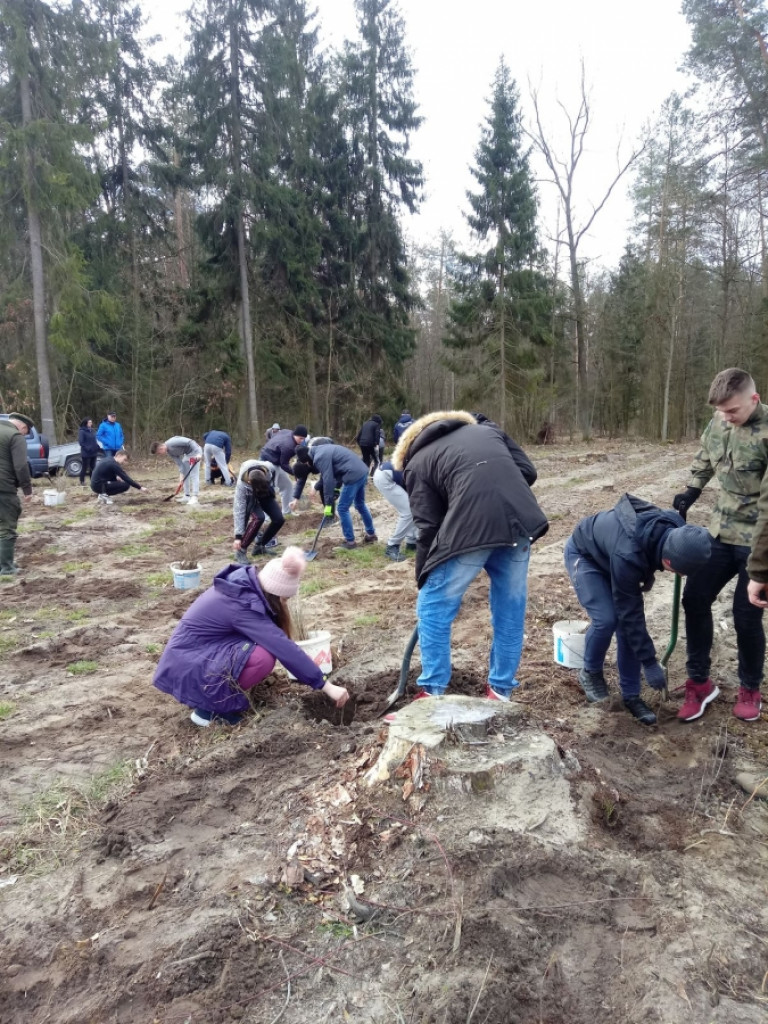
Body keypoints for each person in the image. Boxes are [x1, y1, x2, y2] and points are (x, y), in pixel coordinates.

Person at [388, 410, 548, 710]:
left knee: (433, 605)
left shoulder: (416, 463)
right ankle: (501, 692)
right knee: (510, 608)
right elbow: (527, 471)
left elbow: (427, 527)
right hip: (519, 520)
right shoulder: (488, 432)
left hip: (473, 528)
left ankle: (432, 690)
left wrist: (423, 576)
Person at [153, 546, 350, 726]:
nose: (286, 603)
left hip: (193, 658)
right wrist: (325, 685)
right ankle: (209, 711)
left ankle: (212, 696)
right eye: (286, 599)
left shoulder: (245, 588)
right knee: (262, 658)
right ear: (277, 594)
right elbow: (282, 646)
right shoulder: (243, 605)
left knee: (256, 649)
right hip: (187, 664)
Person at [565, 495, 712, 726]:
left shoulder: (675, 528)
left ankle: (631, 695)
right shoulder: (629, 554)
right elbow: (631, 614)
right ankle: (590, 673)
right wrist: (650, 662)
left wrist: (648, 571)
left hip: (615, 555)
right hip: (587, 556)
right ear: (670, 562)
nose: (680, 577)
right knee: (608, 618)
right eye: (680, 573)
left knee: (627, 629)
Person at [673, 368, 768, 723]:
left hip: (759, 537)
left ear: (753, 400)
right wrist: (693, 489)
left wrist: (761, 567)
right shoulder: (719, 422)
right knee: (694, 599)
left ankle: (750, 688)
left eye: (733, 411)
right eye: (721, 412)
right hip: (720, 531)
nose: (726, 418)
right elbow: (705, 455)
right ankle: (700, 683)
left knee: (746, 615)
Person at [294, 443, 376, 550]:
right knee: (360, 504)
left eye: (306, 463)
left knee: (342, 508)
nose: (308, 465)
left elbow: (328, 480)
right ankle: (371, 535)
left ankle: (350, 542)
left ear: (306, 460)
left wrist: (328, 504)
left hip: (352, 474)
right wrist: (335, 489)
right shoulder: (321, 449)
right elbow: (332, 472)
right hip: (362, 471)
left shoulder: (319, 457)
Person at [0, 412, 33, 575]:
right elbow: (21, 466)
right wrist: (27, 489)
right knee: (6, 526)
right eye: (25, 433)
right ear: (23, 427)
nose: (24, 435)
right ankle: (6, 567)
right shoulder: (15, 435)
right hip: (3, 487)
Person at [232, 459, 284, 563]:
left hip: (264, 489)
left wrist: (268, 490)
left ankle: (259, 547)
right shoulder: (242, 485)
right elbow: (239, 509)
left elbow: (272, 485)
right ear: (249, 482)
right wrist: (238, 536)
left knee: (279, 519)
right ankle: (241, 551)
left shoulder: (269, 470)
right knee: (259, 518)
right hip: (250, 494)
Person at [372, 458, 417, 562]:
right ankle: (392, 546)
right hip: (386, 477)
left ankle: (412, 543)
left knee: (412, 508)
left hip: (390, 473)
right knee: (408, 512)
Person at [260, 425, 309, 514]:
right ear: (295, 435)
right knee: (270, 489)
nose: (302, 441)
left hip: (277, 461)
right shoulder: (289, 446)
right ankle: (266, 516)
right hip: (268, 461)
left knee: (287, 486)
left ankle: (287, 511)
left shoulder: (288, 431)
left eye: (303, 439)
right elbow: (284, 464)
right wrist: (295, 473)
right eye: (300, 438)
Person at [150, 436, 203, 505]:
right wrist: (181, 475)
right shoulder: (169, 452)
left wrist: (198, 454)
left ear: (160, 448)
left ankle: (195, 497)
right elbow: (180, 464)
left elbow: (190, 442)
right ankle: (187, 496)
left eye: (159, 453)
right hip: (187, 455)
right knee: (185, 475)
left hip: (195, 452)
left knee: (194, 475)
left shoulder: (172, 442)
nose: (160, 455)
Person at [78, 417, 100, 485]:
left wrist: (97, 446)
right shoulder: (82, 431)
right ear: (86, 423)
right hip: (86, 453)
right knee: (85, 467)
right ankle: (82, 481)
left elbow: (94, 440)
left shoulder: (92, 431)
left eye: (91, 422)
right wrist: (88, 448)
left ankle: (92, 480)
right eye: (89, 422)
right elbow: (81, 442)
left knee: (93, 467)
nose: (91, 423)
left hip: (94, 452)